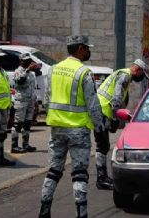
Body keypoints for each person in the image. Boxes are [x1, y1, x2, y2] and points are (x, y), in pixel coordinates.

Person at [39, 35, 105, 218]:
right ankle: (81, 214)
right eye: (87, 48)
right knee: (79, 174)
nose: (89, 51)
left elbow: (46, 100)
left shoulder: (53, 70)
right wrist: (99, 127)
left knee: (53, 171)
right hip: (78, 130)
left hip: (57, 128)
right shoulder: (84, 72)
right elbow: (93, 104)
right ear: (81, 49)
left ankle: (44, 211)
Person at [94, 58, 149, 190]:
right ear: (138, 70)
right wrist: (115, 117)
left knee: (102, 145)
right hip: (102, 110)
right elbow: (117, 96)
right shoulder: (125, 76)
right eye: (142, 75)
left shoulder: (122, 73)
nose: (141, 78)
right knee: (102, 145)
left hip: (100, 109)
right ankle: (101, 179)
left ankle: (102, 177)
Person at [10, 53, 38, 153]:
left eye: (29, 60)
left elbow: (32, 88)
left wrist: (35, 101)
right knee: (18, 123)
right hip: (21, 100)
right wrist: (27, 70)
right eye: (25, 60)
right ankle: (14, 146)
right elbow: (20, 81)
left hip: (30, 100)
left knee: (27, 123)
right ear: (20, 61)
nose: (28, 62)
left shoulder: (31, 73)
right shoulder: (18, 71)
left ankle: (25, 144)